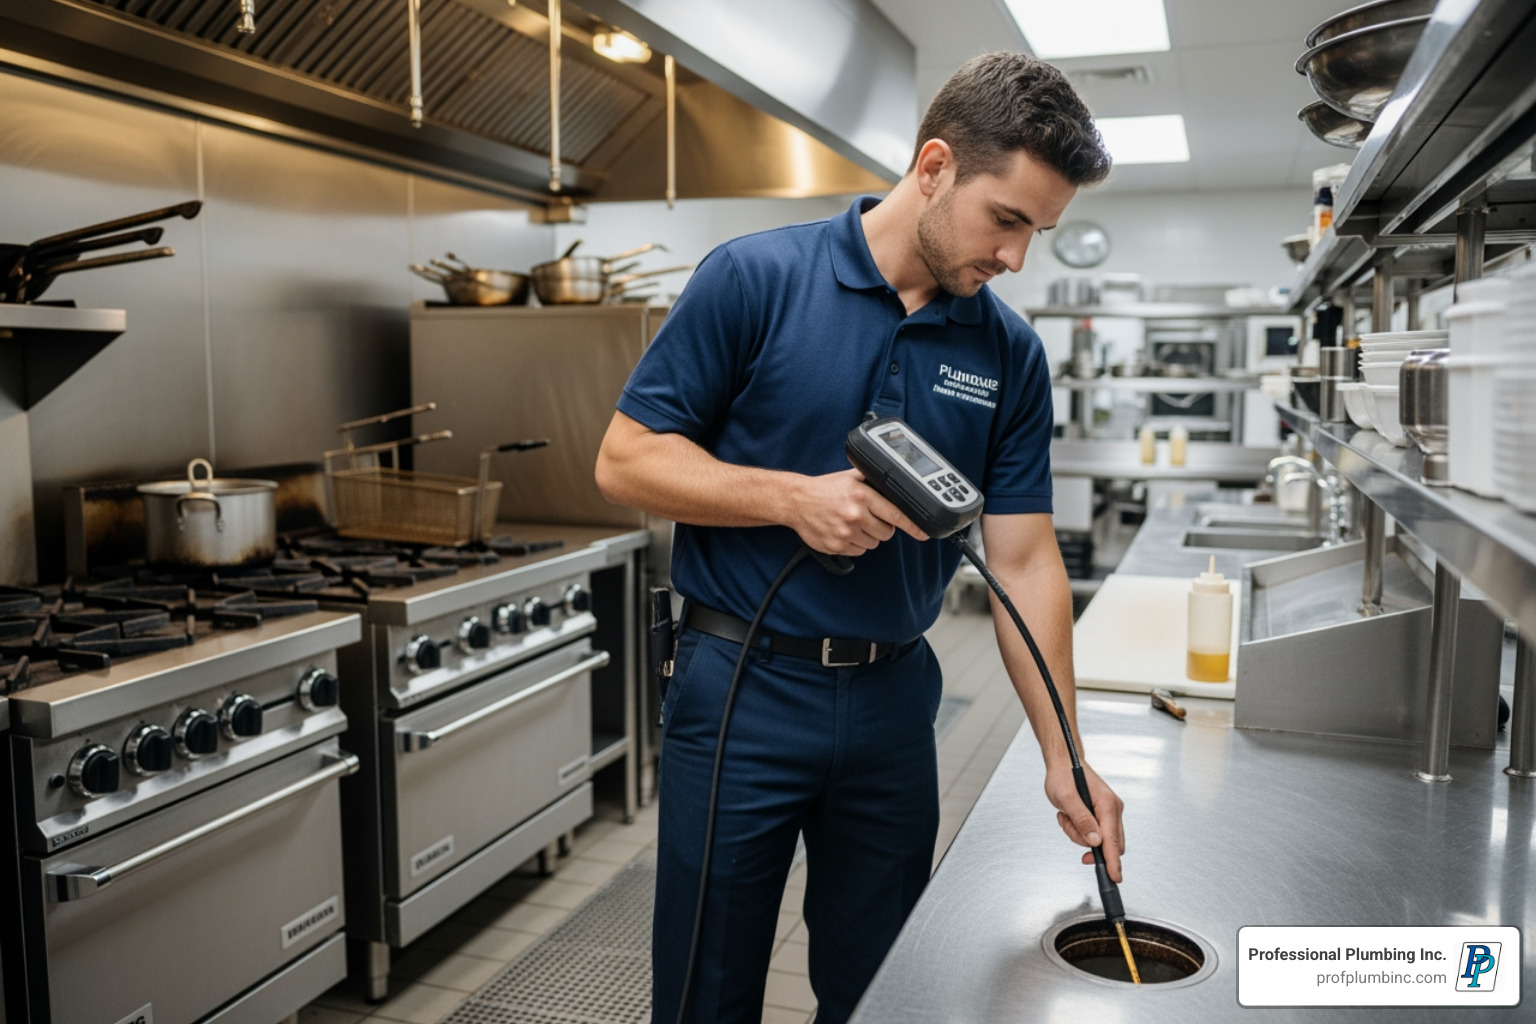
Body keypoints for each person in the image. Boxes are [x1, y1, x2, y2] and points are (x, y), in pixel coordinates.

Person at [595, 52, 1124, 1024]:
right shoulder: (756, 278)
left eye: (1039, 233)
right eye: (1006, 219)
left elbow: (1022, 559)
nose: (1016, 259)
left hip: (891, 703)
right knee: (708, 987)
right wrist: (791, 499)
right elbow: (625, 460)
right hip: (741, 685)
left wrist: (1066, 750)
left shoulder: (1007, 351)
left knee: (883, 988)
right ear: (934, 166)